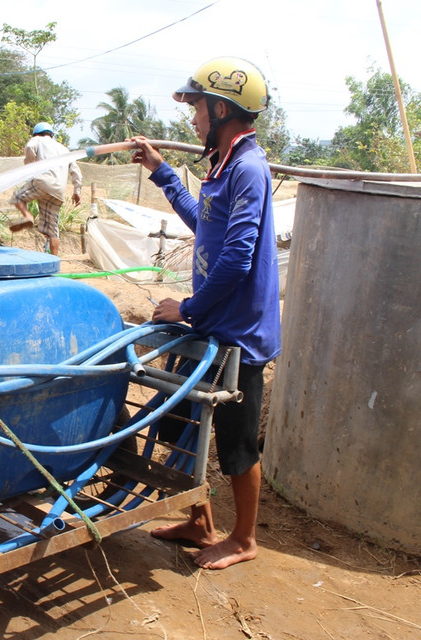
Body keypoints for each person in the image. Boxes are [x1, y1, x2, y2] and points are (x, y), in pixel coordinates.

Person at [129, 56, 282, 570]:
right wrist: (161, 172)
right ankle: (201, 522)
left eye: (197, 108)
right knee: (181, 425)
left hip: (239, 333)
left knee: (236, 443)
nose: (192, 118)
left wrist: (188, 307)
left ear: (220, 109)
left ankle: (244, 539)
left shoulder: (249, 169)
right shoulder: (223, 167)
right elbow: (205, 224)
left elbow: (237, 256)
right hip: (212, 323)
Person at [9, 121, 83, 256]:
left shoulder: (37, 140)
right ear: (51, 134)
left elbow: (30, 147)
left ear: (36, 133)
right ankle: (54, 261)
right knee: (53, 230)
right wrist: (77, 191)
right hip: (59, 191)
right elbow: (76, 171)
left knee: (17, 197)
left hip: (42, 183)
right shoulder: (64, 149)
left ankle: (28, 216)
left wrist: (29, 166)